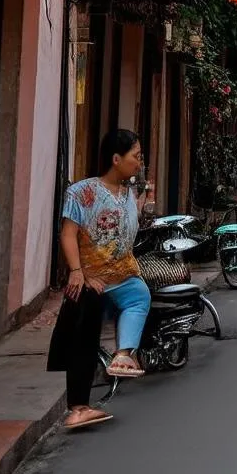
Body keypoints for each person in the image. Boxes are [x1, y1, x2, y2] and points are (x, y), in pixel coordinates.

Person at [48, 129, 154, 430]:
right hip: (91, 278)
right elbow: (68, 234)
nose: (139, 162)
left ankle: (122, 355)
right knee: (84, 331)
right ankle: (78, 407)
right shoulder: (82, 192)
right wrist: (78, 272)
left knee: (140, 296)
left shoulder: (128, 194)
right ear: (116, 158)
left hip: (123, 275)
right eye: (136, 156)